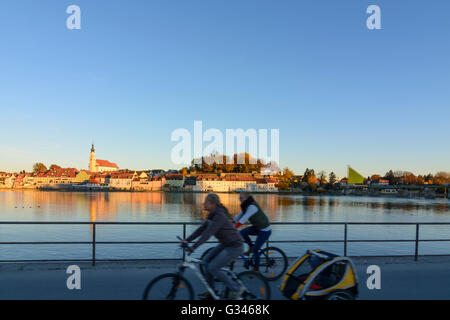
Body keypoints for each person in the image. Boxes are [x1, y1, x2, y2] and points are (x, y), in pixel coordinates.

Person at [182, 193, 244, 300]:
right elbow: (201, 230)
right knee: (205, 262)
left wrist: (193, 247)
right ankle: (211, 291)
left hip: (234, 246)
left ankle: (236, 288)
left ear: (213, 204)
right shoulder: (212, 215)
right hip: (225, 244)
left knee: (213, 267)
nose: (203, 203)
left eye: (206, 202)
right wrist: (187, 240)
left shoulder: (219, 216)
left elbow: (208, 234)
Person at [233, 192, 271, 272]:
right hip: (258, 227)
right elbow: (238, 217)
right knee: (242, 232)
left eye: (241, 198)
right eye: (239, 197)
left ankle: (256, 269)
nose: (239, 199)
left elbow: (243, 219)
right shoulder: (245, 206)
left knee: (256, 250)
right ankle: (251, 246)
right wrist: (229, 223)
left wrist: (234, 228)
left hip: (265, 230)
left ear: (247, 198)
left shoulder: (252, 207)